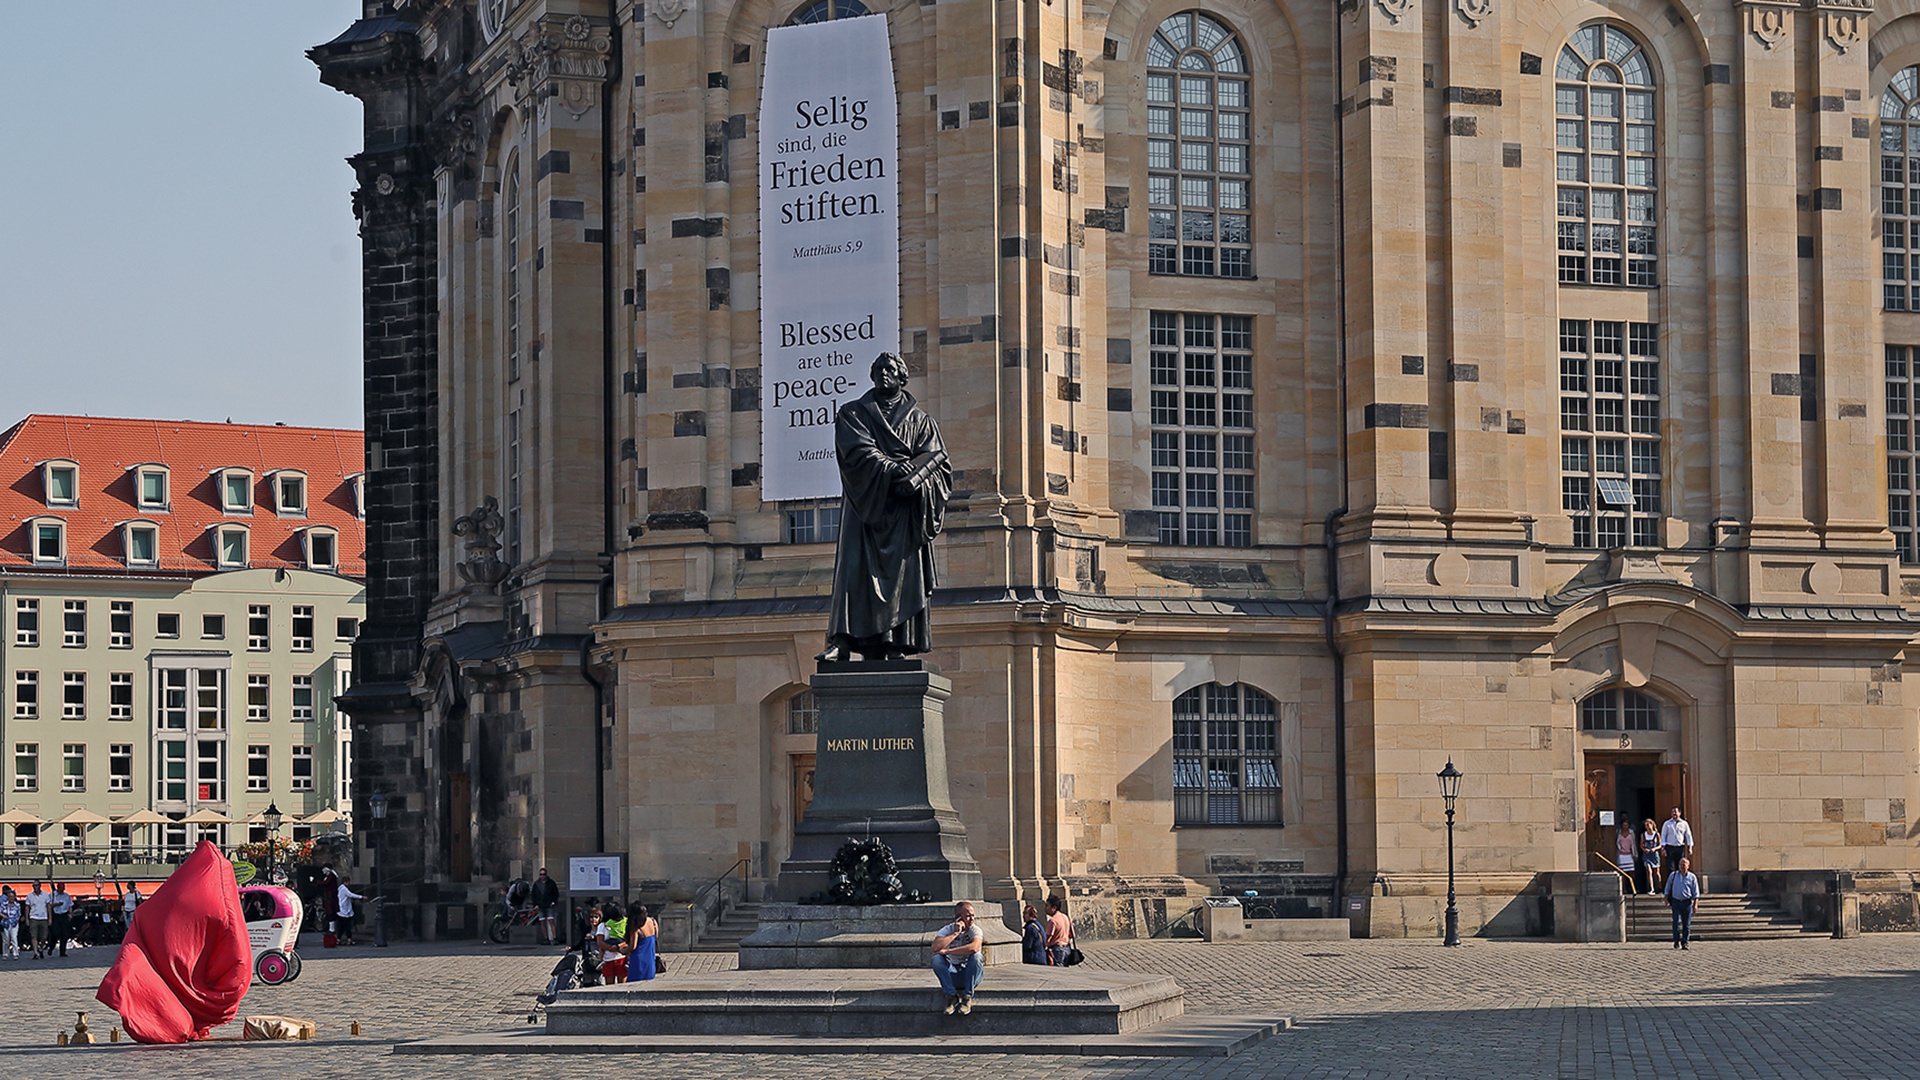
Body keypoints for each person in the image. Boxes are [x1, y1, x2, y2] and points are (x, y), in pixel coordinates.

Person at [816, 352, 953, 662]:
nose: (883, 374)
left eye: (890, 369)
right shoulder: (853, 413)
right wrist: (899, 470)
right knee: (852, 572)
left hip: (904, 514)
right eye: (877, 369)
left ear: (902, 377)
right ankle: (842, 641)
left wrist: (918, 481)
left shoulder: (921, 421)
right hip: (864, 508)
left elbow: (940, 465)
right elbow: (858, 454)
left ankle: (895, 643)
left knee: (904, 578)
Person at [930, 901, 984, 1015]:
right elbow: (935, 947)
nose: (972, 919)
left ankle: (967, 997)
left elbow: (974, 947)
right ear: (958, 917)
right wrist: (955, 934)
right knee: (936, 959)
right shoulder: (947, 930)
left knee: (977, 956)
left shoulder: (975, 930)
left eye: (973, 915)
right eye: (968, 916)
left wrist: (948, 951)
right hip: (953, 973)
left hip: (971, 974)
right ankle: (951, 996)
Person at [1665, 855, 1701, 949]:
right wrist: (1666, 900)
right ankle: (1676, 940)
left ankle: (1685, 942)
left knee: (1686, 924)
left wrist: (1695, 905)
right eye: (1681, 864)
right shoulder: (1673, 876)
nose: (1682, 866)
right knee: (1676, 922)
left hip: (1687, 903)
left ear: (1688, 866)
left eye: (1684, 864)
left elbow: (1696, 893)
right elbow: (1667, 889)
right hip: (1676, 902)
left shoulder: (1692, 877)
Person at [594, 902, 629, 984]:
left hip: (621, 958)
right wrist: (610, 948)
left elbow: (627, 940)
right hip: (608, 959)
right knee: (609, 985)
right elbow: (600, 942)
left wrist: (618, 946)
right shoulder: (602, 926)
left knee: (622, 984)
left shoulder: (623, 923)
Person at [625, 903, 659, 981]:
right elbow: (656, 937)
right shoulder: (653, 921)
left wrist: (623, 951)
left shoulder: (636, 927)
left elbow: (632, 946)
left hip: (637, 959)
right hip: (650, 957)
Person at [1660, 807, 1695, 879]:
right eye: (1673, 812)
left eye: (1675, 812)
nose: (1674, 814)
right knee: (1671, 868)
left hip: (1680, 848)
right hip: (1670, 848)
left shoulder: (1684, 824)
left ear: (1679, 813)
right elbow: (1663, 836)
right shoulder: (1667, 824)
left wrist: (1690, 847)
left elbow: (1688, 835)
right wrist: (1663, 848)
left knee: (1681, 867)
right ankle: (1672, 885)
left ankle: (1680, 884)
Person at [531, 867, 561, 946]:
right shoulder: (536, 884)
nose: (542, 876)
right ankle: (546, 938)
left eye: (544, 874)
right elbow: (533, 895)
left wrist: (554, 902)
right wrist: (535, 904)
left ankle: (554, 938)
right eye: (541, 875)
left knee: (551, 920)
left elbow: (556, 893)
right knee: (542, 922)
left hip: (549, 904)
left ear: (546, 875)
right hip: (540, 905)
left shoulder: (551, 883)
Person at [23, 882, 52, 960]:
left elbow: (48, 907)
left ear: (40, 886)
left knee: (44, 937)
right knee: (33, 936)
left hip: (43, 917)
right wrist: (27, 919)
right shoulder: (30, 896)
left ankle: (41, 947)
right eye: (33, 886)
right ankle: (35, 953)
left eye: (36, 885)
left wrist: (50, 918)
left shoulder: (45, 895)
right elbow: (27, 908)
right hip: (33, 917)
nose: (35, 887)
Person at [1044, 894, 1073, 966]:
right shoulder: (1066, 917)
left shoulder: (1052, 921)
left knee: (1057, 971)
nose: (1045, 908)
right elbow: (1071, 934)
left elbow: (1048, 937)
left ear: (1054, 908)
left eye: (1047, 906)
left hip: (1056, 949)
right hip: (1067, 948)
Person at [336, 879, 367, 945]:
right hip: (344, 911)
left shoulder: (341, 888)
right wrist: (361, 897)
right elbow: (350, 895)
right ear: (344, 882)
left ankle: (339, 939)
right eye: (348, 882)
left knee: (342, 926)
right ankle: (348, 939)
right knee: (347, 926)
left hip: (342, 910)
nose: (349, 883)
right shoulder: (344, 889)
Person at [1638, 818, 1664, 894]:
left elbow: (1660, 845)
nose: (1647, 826)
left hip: (1654, 854)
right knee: (1649, 871)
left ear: (1652, 825)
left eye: (1648, 824)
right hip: (1647, 854)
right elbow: (1641, 844)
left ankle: (1659, 887)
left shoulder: (1656, 834)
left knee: (1657, 872)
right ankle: (1651, 888)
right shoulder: (1643, 835)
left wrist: (1655, 849)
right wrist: (1644, 849)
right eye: (1646, 825)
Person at [49, 884, 73, 956]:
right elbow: (48, 905)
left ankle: (62, 952)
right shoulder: (52, 895)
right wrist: (56, 904)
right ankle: (51, 947)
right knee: (55, 933)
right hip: (56, 915)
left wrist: (70, 913)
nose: (61, 891)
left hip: (64, 915)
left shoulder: (66, 896)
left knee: (65, 934)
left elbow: (70, 905)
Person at [1613, 824, 1638, 890]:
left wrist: (1635, 854)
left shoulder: (1631, 833)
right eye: (1623, 825)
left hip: (1629, 855)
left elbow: (1634, 844)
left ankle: (1633, 887)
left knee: (1631, 872)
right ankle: (1623, 889)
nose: (1625, 827)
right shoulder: (1618, 832)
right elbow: (1616, 843)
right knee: (1622, 873)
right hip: (1621, 855)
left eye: (1626, 825)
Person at [0, 887, 20, 960]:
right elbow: (0, 912)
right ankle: (5, 953)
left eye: (12, 896)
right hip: (6, 923)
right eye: (10, 897)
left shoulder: (17, 905)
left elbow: (19, 914)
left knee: (14, 938)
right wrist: (3, 916)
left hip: (14, 924)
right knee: (6, 940)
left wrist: (17, 919)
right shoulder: (4, 904)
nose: (11, 898)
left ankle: (15, 953)